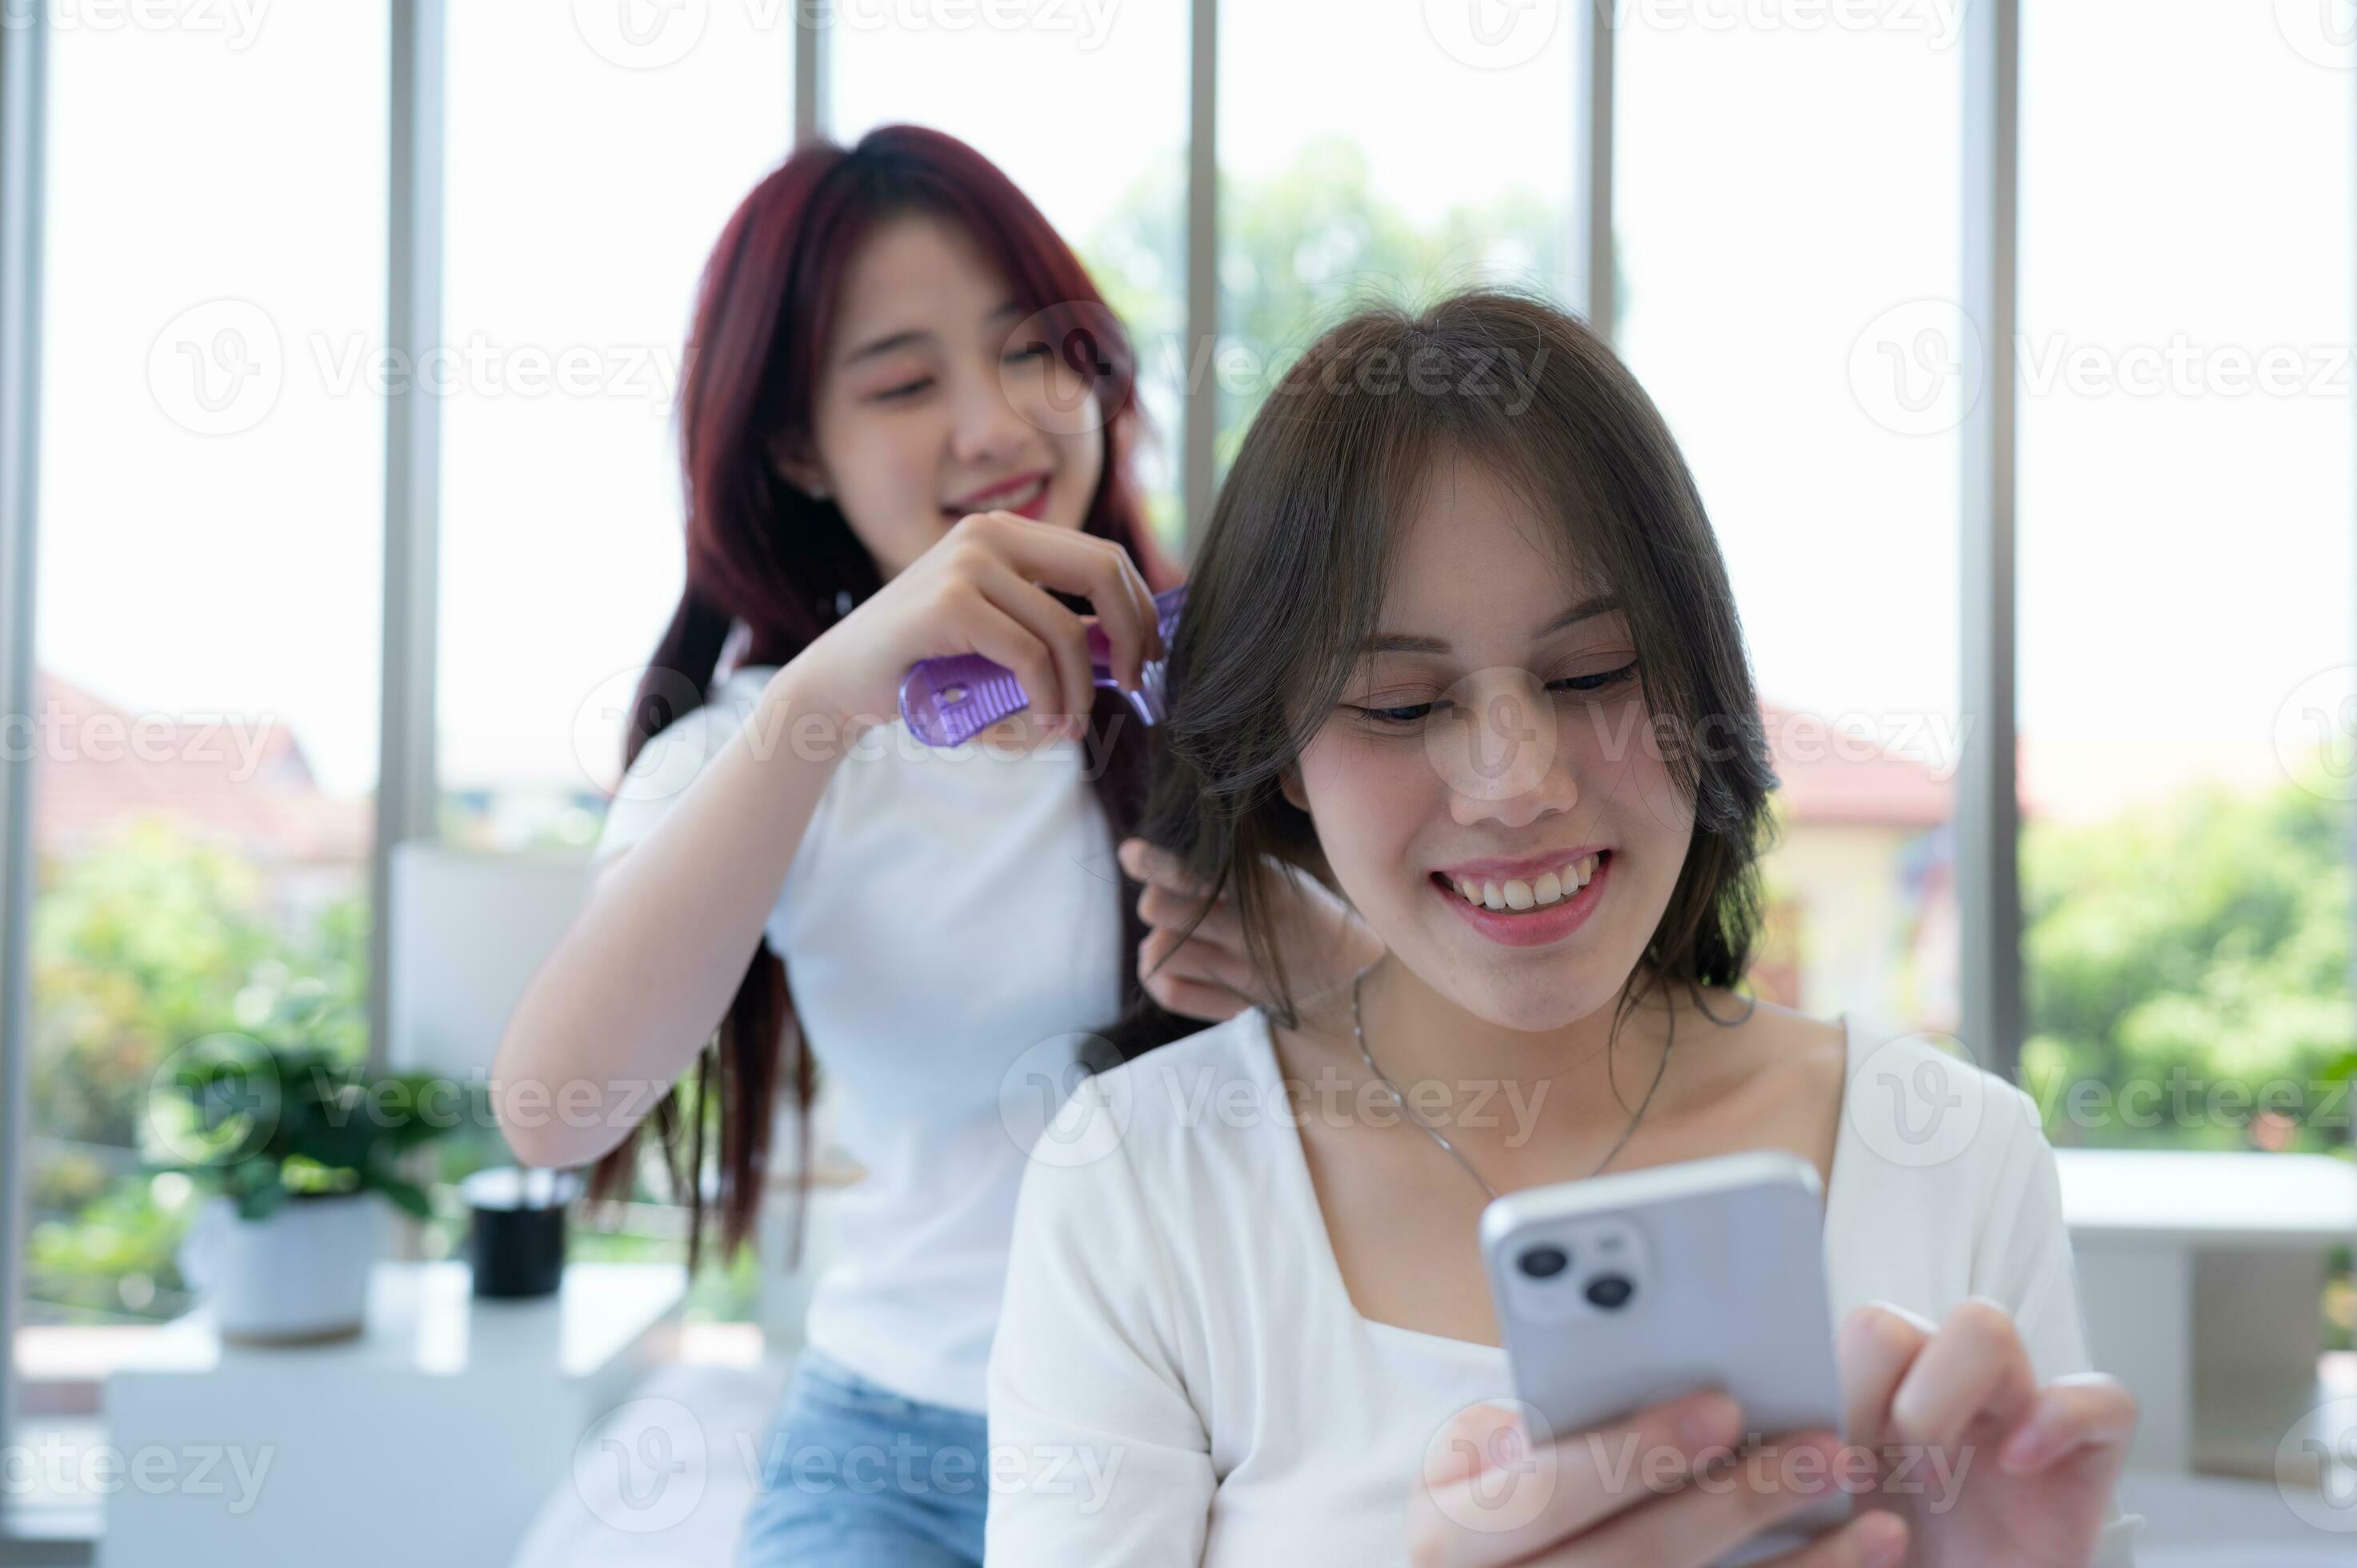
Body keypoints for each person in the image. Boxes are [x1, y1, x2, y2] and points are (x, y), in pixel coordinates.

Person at [984, 290, 2145, 1566]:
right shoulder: (1139, 1177)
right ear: (1285, 756)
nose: (1515, 779)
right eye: (1399, 702)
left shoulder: (1950, 1153)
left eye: (1592, 675)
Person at [487, 125, 1375, 1568]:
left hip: (1255, 1440)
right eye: (904, 383)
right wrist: (827, 696)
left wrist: (1339, 984)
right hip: (901, 1454)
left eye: (1035, 352)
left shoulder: (1238, 679)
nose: (996, 423)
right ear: (795, 446)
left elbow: (1519, 1069)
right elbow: (553, 1111)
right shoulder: (754, 750)